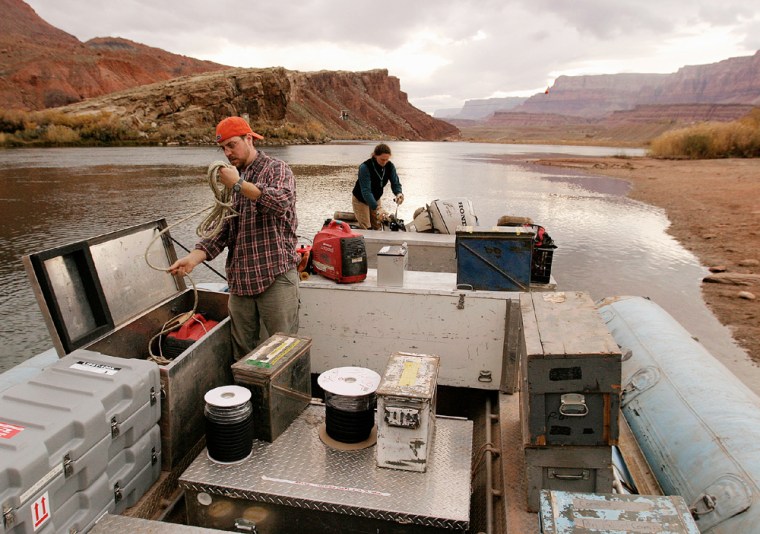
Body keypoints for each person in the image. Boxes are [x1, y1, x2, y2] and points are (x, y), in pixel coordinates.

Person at [169, 116, 300, 359]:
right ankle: (247, 396)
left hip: (276, 276)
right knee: (242, 351)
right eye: (223, 148)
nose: (228, 153)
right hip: (241, 281)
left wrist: (239, 183)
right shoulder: (230, 182)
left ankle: (288, 396)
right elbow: (222, 231)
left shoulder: (277, 169)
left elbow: (280, 203)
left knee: (284, 349)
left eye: (232, 145)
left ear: (249, 138)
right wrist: (193, 259)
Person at [351, 143, 404, 229]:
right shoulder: (365, 167)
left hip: (376, 198)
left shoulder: (390, 166)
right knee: (366, 227)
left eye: (387, 159)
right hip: (360, 199)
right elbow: (366, 191)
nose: (385, 162)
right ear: (375, 156)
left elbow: (395, 183)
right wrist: (377, 208)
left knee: (378, 226)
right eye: (382, 159)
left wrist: (399, 193)